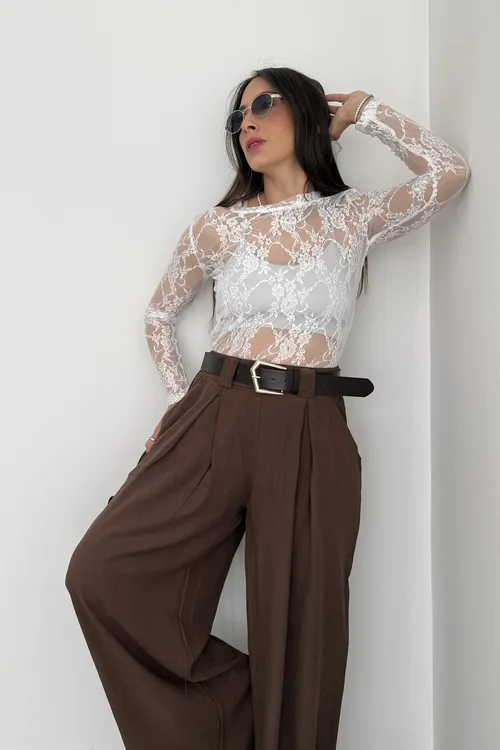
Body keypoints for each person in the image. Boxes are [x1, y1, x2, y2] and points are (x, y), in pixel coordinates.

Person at [65, 67, 470, 750]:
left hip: (312, 425)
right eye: (238, 115)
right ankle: (238, 719)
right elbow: (160, 315)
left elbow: (449, 174)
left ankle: (290, 722)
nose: (246, 122)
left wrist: (367, 113)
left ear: (308, 115)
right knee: (102, 573)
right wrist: (178, 402)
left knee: (305, 623)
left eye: (264, 104)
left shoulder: (352, 217)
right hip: (214, 412)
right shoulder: (217, 229)